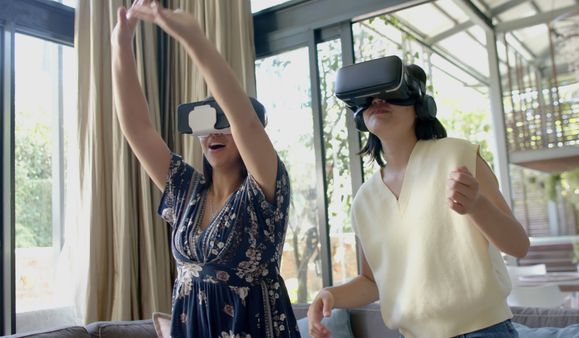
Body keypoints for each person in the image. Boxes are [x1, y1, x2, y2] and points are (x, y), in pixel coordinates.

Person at [111, 1, 300, 337]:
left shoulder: (263, 190)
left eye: (223, 123)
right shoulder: (187, 192)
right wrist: (121, 45)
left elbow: (247, 123)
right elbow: (137, 129)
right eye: (204, 124)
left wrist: (193, 38)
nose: (213, 133)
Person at [307, 59, 530, 338]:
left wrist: (477, 206)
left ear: (420, 105)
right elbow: (372, 281)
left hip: (482, 330)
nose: (378, 100)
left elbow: (518, 245)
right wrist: (330, 294)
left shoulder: (457, 156)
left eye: (390, 93)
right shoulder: (365, 200)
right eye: (369, 98)